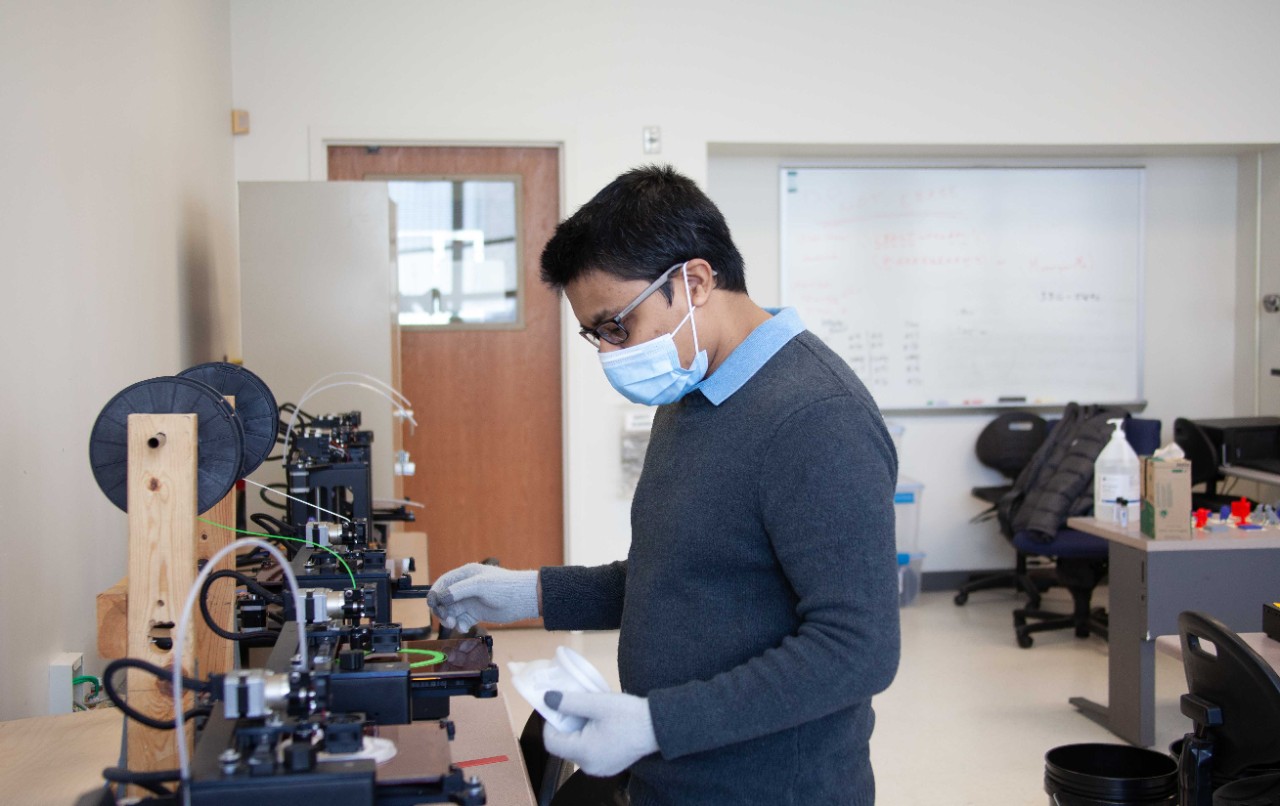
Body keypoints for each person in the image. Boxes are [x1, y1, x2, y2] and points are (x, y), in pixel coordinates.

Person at [428, 164, 900, 805]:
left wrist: (657, 723)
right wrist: (530, 592)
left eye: (616, 325)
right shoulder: (692, 391)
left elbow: (858, 648)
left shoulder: (816, 417)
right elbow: (680, 579)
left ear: (695, 281)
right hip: (671, 774)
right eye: (594, 334)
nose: (609, 353)